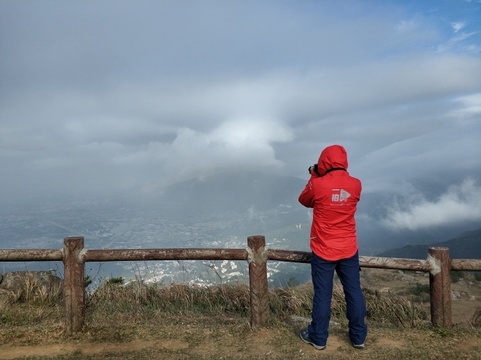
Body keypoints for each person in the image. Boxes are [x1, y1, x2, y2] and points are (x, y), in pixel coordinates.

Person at [298, 144, 367, 350]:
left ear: (324, 161)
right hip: (348, 248)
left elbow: (304, 200)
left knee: (323, 294)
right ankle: (358, 337)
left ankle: (318, 337)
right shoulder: (356, 184)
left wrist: (314, 175)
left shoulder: (318, 185)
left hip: (323, 249)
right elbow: (342, 195)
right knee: (354, 291)